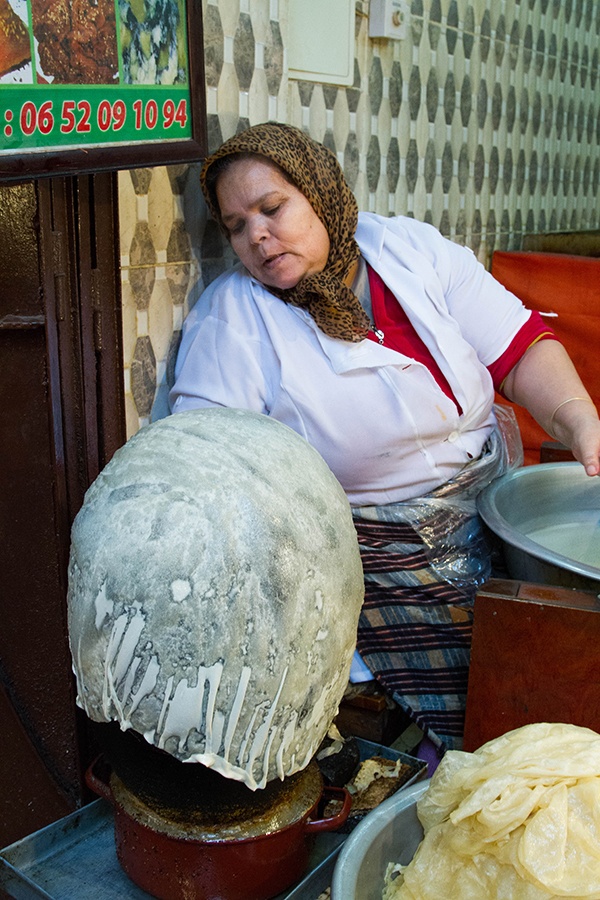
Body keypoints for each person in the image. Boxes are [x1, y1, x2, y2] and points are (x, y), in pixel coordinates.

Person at [169, 122, 600, 762]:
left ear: (321, 193)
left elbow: (516, 347)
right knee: (492, 728)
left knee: (562, 668)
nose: (256, 235)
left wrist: (577, 419)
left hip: (494, 516)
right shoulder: (234, 320)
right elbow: (204, 469)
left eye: (272, 208)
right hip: (378, 569)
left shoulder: (408, 249)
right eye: (236, 225)